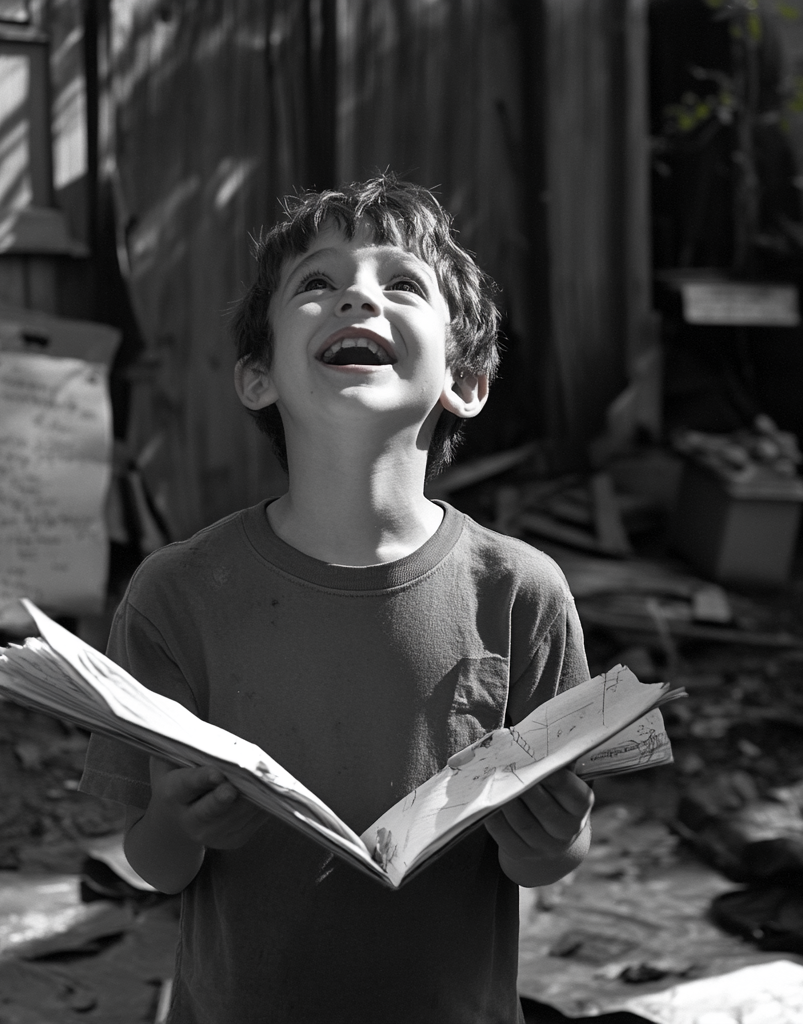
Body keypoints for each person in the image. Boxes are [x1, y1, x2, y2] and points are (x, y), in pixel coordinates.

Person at [80, 174, 593, 1023]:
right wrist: (181, 820)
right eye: (316, 283)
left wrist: (553, 836)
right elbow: (155, 862)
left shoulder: (522, 594)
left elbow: (548, 861)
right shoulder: (177, 594)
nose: (357, 295)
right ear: (256, 376)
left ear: (466, 381)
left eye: (402, 284)